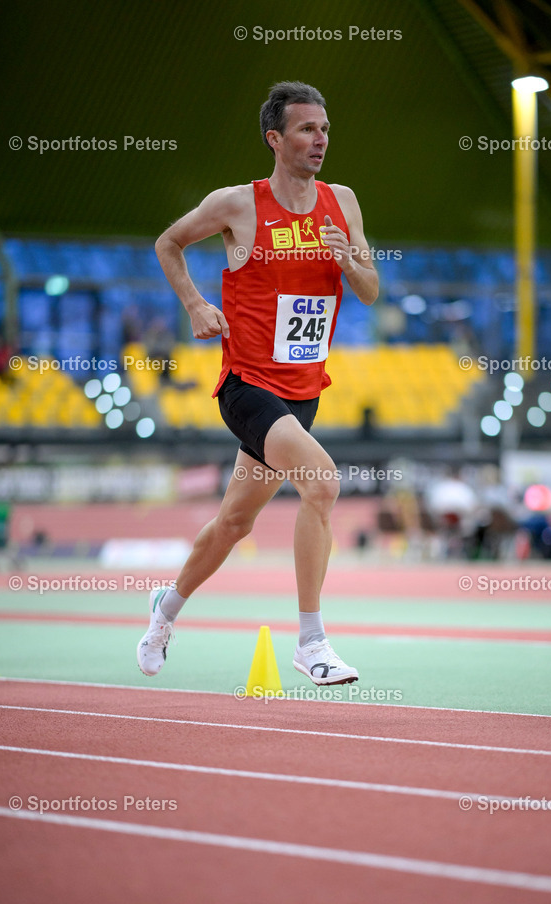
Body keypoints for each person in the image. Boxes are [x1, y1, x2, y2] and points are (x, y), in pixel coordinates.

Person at [137, 81, 379, 684]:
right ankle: (312, 642)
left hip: (303, 392)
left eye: (325, 129)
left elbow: (371, 289)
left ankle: (164, 611)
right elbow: (168, 242)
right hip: (246, 386)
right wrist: (195, 304)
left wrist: (348, 260)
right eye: (306, 129)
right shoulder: (237, 204)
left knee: (233, 524)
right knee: (322, 482)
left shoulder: (342, 202)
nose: (320, 139)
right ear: (275, 138)